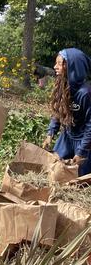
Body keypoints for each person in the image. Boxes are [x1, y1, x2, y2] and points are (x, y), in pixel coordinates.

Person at [42, 49, 91, 177]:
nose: (55, 67)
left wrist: (82, 152)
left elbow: (90, 126)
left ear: (72, 67)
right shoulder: (63, 86)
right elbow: (59, 111)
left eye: (59, 63)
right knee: (52, 169)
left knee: (78, 179)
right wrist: (50, 133)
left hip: (84, 141)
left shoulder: (85, 93)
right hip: (67, 137)